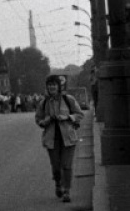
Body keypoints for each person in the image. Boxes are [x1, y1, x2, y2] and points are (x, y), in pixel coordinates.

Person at [36, 75, 83, 203]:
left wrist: (67, 117)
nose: (51, 87)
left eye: (54, 84)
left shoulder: (69, 99)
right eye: (49, 84)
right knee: (56, 167)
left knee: (67, 165)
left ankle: (67, 191)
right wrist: (44, 122)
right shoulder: (44, 102)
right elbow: (38, 119)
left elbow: (80, 114)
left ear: (59, 86)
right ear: (47, 87)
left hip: (68, 138)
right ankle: (58, 184)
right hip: (52, 139)